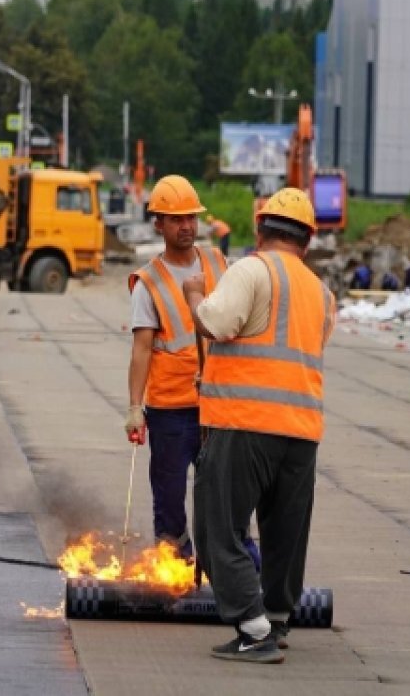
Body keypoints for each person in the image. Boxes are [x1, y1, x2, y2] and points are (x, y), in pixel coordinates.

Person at [181, 187, 336, 664]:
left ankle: (253, 630)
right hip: (301, 429)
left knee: (216, 529)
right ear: (308, 240)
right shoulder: (321, 291)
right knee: (286, 531)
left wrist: (193, 297)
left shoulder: (251, 269)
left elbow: (217, 322)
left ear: (260, 230)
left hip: (244, 422)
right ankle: (278, 617)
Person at [126, 176, 260, 567]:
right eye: (175, 219)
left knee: (228, 495)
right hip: (171, 411)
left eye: (190, 217)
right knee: (169, 498)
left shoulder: (220, 264)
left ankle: (241, 572)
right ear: (159, 225)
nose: (186, 226)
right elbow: (141, 349)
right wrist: (135, 407)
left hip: (219, 403)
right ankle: (175, 568)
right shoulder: (148, 283)